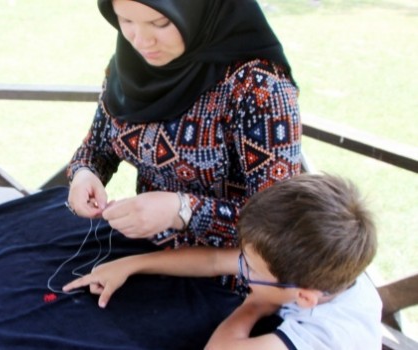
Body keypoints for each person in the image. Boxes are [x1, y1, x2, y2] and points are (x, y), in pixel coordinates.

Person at [66, 0, 302, 284]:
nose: (141, 40)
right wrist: (84, 174)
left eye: (160, 23)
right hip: (142, 253)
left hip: (234, 280)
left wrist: (182, 210)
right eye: (125, 21)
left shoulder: (259, 87)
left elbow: (278, 222)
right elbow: (97, 147)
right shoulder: (127, 65)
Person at [64, 173, 381, 349]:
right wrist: (132, 264)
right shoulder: (315, 268)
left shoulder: (329, 336)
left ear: (304, 297)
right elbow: (216, 260)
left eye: (252, 271)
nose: (244, 271)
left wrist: (254, 305)